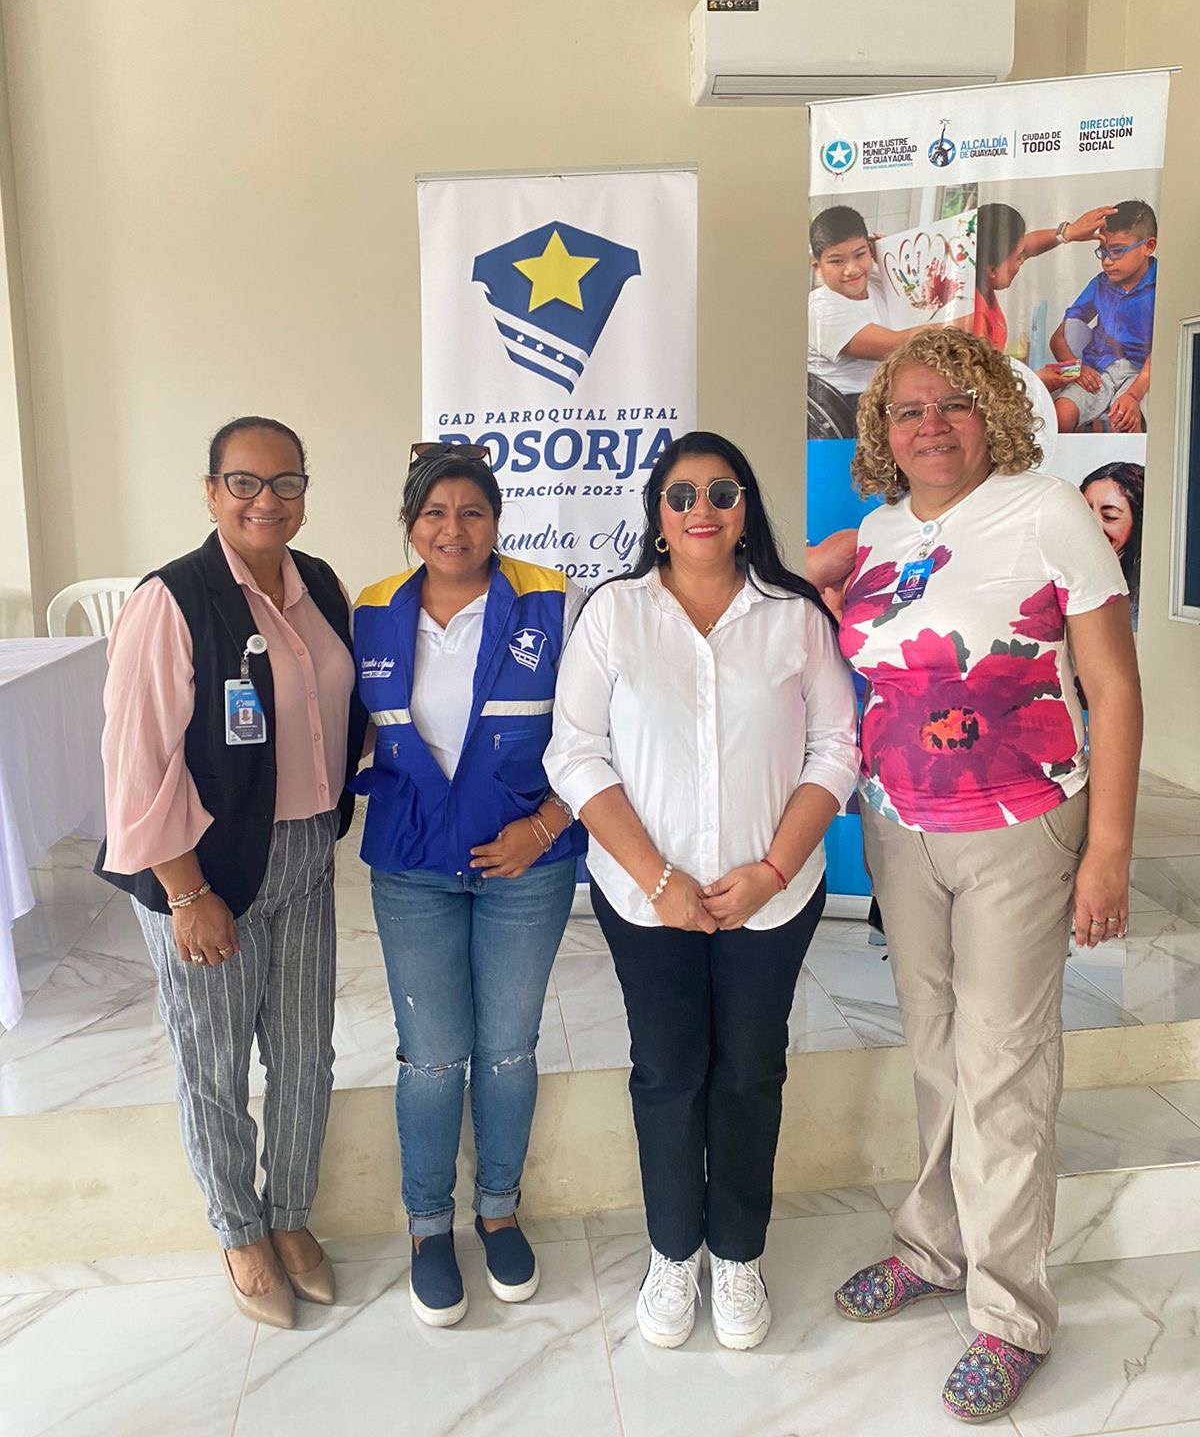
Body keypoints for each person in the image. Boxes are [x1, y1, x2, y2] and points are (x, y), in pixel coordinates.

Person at [832, 329, 1141, 1423]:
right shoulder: (879, 531)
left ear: (992, 412)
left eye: (954, 403)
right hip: (899, 829)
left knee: (1003, 1065)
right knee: (933, 1049)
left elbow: (1113, 686)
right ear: (885, 429)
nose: (931, 424)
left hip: (1023, 826)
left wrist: (1109, 851)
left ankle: (1011, 1315)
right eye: (908, 409)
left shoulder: (1046, 510)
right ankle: (933, 1246)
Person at [546, 432, 859, 1353]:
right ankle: (674, 1250)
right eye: (681, 495)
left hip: (774, 895)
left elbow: (836, 749)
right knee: (669, 1070)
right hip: (647, 900)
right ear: (657, 514)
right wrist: (658, 878)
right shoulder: (614, 614)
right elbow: (575, 752)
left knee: (751, 1070)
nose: (702, 510)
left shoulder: (795, 617)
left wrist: (772, 870)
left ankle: (738, 1252)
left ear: (746, 508)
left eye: (723, 492)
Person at [97, 416, 367, 1330]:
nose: (266, 500)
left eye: (286, 482)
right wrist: (186, 893)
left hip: (304, 852)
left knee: (304, 1052)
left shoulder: (319, 584)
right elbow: (137, 768)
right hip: (203, 868)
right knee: (213, 1061)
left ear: (304, 494)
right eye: (244, 482)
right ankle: (238, 1229)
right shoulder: (171, 600)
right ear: (211, 491)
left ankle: (288, 1212)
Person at [353, 442, 585, 1328]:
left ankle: (498, 1210)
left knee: (508, 1049)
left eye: (473, 512)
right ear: (409, 523)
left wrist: (546, 826)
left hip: (525, 865)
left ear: (497, 520)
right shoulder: (372, 609)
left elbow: (603, 730)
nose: (453, 529)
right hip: (414, 866)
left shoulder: (553, 600)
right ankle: (427, 1226)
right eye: (434, 513)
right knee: (433, 1054)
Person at [808, 205, 927, 417]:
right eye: (837, 261)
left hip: (890, 393)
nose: (851, 269)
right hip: (849, 407)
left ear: (871, 251)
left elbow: (924, 295)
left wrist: (888, 249)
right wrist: (965, 323)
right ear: (817, 267)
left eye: (860, 255)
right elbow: (896, 345)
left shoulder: (878, 281)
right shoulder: (819, 309)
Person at [1050, 200, 1157, 433]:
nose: (1107, 261)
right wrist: (1075, 369)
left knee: (1125, 422)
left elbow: (1162, 351)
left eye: (1118, 251)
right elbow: (1058, 339)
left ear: (1148, 246)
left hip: (1142, 375)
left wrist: (1132, 396)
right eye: (1103, 252)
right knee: (1060, 414)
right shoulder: (1100, 284)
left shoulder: (1163, 285)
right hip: (1098, 370)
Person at [970, 201, 1116, 356]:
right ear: (992, 270)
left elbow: (1027, 245)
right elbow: (984, 371)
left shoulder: (978, 269)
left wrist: (1068, 233)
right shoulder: (974, 320)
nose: (1023, 259)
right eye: (1019, 257)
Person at [1082, 461, 1145, 628]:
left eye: (1109, 516)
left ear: (1139, 523)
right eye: (1085, 513)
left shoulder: (1144, 601)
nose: (1092, 525)